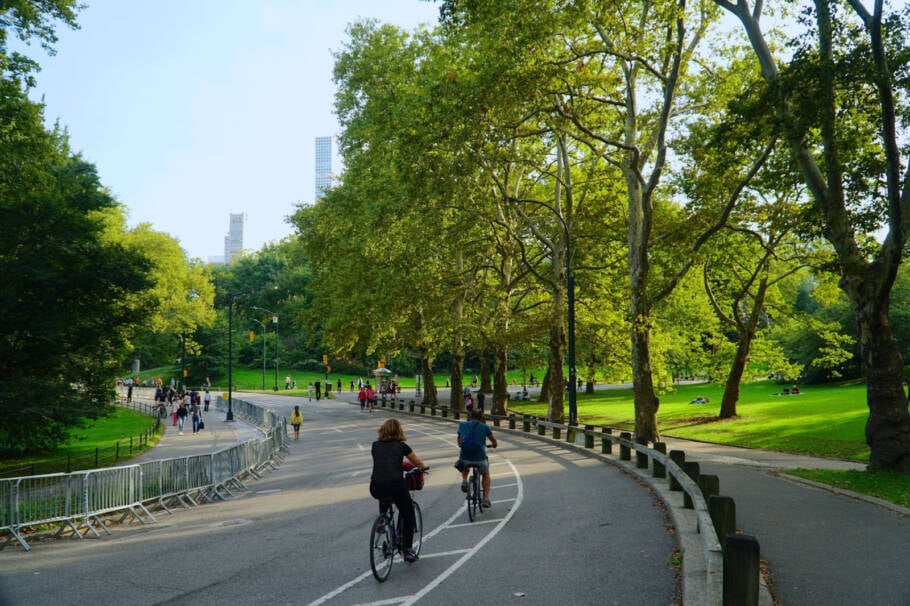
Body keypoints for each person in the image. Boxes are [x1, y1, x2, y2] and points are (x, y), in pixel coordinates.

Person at [369, 419, 428, 563]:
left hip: (375, 486)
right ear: (399, 431)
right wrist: (423, 468)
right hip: (396, 485)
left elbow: (385, 463)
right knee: (408, 513)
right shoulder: (402, 447)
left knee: (384, 493)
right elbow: (416, 461)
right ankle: (407, 550)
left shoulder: (375, 446)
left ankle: (382, 519)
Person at [456, 408, 498, 508]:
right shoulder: (485, 427)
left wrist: (462, 446)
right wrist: (494, 445)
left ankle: (464, 480)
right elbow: (494, 441)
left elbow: (459, 440)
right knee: (486, 475)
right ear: (481, 417)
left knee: (465, 464)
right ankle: (486, 499)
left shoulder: (462, 425)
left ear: (470, 416)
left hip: (465, 456)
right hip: (480, 457)